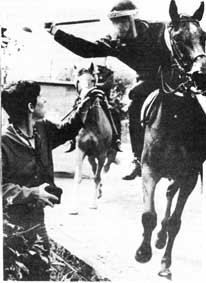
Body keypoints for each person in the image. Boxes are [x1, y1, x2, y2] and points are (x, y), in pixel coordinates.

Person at [47, 0, 165, 180]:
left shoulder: (157, 30)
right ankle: (137, 160)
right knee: (133, 102)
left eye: (123, 21)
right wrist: (57, 32)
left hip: (171, 75)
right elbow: (86, 50)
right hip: (146, 82)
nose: (120, 26)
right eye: (115, 22)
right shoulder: (113, 42)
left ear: (133, 18)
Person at [1, 80, 83, 280]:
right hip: (10, 227)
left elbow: (68, 129)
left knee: (41, 272)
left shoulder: (42, 130)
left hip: (37, 221)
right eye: (40, 97)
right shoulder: (4, 142)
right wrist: (32, 193)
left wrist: (86, 102)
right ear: (30, 107)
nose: (44, 100)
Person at [66, 65, 122, 153]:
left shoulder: (109, 73)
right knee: (74, 109)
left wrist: (94, 86)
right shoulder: (89, 72)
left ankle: (115, 138)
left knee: (114, 113)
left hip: (102, 97)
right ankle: (72, 139)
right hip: (85, 97)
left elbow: (108, 85)